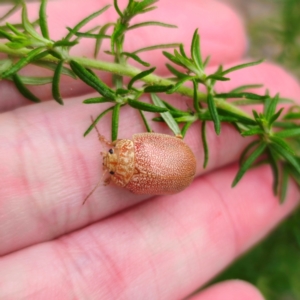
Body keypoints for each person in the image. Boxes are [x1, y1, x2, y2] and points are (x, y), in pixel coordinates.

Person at [0, 0, 299, 299]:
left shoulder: (129, 163)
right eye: (112, 158)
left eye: (111, 156)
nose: (108, 157)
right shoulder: (129, 159)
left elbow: (135, 174)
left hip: (178, 166)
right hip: (177, 167)